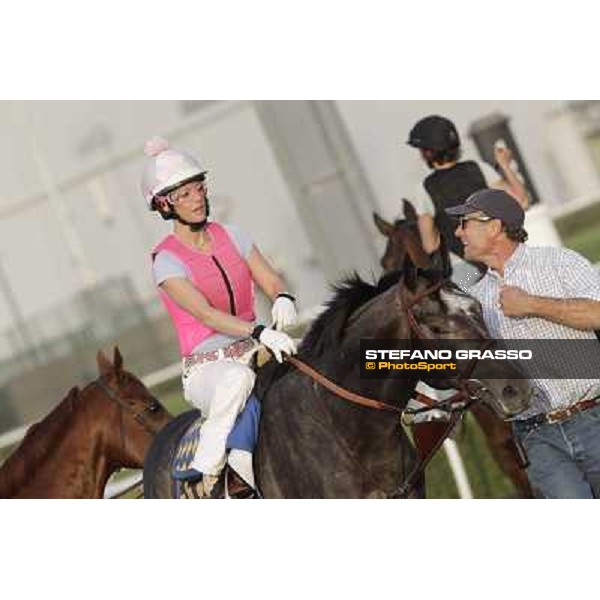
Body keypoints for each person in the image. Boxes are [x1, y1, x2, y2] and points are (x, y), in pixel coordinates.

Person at [141, 136, 298, 497]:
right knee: (237, 380)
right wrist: (260, 330)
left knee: (322, 358)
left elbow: (270, 277)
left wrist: (282, 295)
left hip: (253, 346)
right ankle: (209, 464)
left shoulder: (233, 234)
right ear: (164, 205)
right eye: (183, 194)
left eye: (198, 188)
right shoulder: (165, 261)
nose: (196, 198)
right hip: (208, 369)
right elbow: (205, 315)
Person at [446, 188, 600, 498]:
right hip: (535, 437)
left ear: (494, 227)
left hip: (593, 419)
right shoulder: (475, 298)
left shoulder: (559, 262)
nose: (457, 231)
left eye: (465, 222)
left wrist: (532, 304)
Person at [407, 115, 529, 288]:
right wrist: (505, 165)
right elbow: (521, 201)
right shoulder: (478, 168)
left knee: (472, 307)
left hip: (467, 272)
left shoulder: (424, 189)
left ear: (428, 152)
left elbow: (430, 245)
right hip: (503, 256)